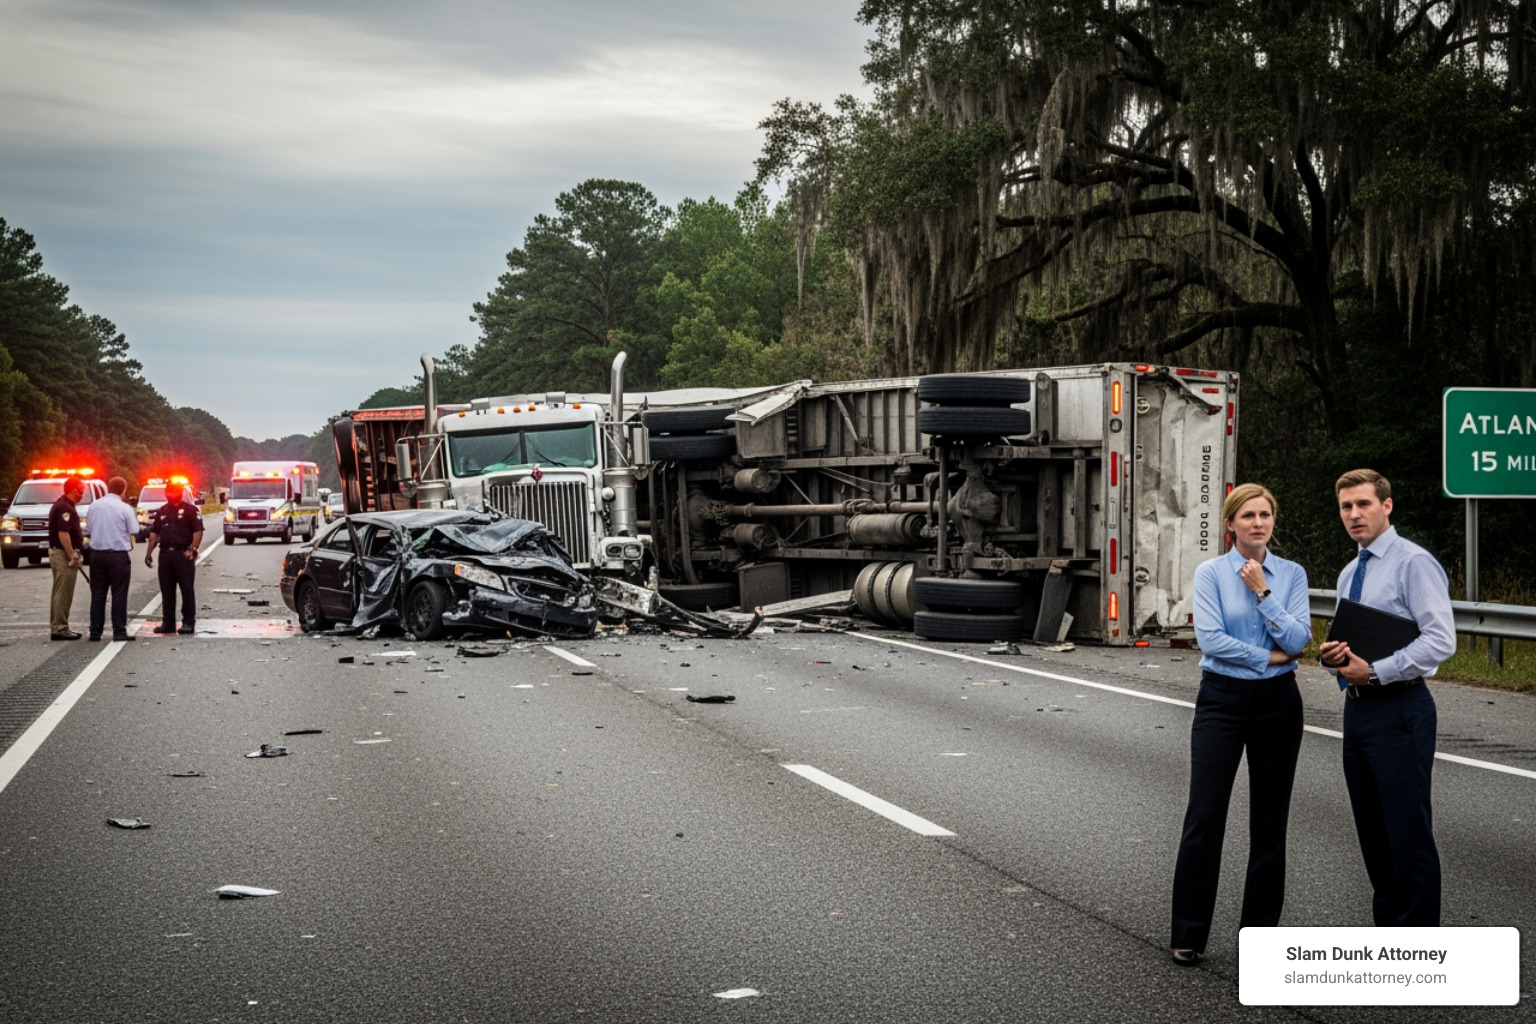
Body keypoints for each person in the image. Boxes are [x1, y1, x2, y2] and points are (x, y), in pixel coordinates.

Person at [1169, 483, 1309, 965]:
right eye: (1247, 515)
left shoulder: (1290, 575)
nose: (1257, 522)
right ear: (1230, 524)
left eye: (1265, 514)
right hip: (1222, 702)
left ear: (1273, 521)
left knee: (1270, 825)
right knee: (1205, 816)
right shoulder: (1210, 573)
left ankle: (1261, 944)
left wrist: (1263, 592)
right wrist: (1269, 656)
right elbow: (1210, 640)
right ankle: (1188, 934)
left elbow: (1299, 638)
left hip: (1278, 704)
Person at [1318, 469, 1455, 927]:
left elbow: (1440, 641)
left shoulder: (1412, 562)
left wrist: (1376, 672)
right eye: (1346, 507)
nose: (1354, 515)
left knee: (1407, 833)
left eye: (1363, 504)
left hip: (1400, 708)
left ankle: (1418, 943)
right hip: (1358, 710)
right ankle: (1388, 935)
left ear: (1386, 506)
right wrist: (1333, 655)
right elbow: (1354, 639)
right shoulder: (1349, 572)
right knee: (1373, 833)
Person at [144, 480, 203, 635]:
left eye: (174, 490)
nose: (171, 494)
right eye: (169, 491)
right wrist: (149, 553)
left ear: (180, 492)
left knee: (186, 589)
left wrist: (194, 549)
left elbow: (198, 531)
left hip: (182, 553)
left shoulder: (191, 510)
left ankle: (188, 623)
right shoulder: (162, 511)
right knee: (166, 590)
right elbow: (154, 533)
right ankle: (168, 622)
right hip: (165, 554)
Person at [87, 476, 137, 643]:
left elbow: (88, 528)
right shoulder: (124, 508)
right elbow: (134, 529)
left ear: (108, 488)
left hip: (96, 555)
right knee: (119, 593)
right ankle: (119, 630)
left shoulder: (94, 506)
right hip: (117, 555)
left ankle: (95, 631)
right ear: (123, 490)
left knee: (98, 593)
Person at [48, 476, 87, 640]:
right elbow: (63, 533)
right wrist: (72, 554)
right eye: (81, 490)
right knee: (63, 592)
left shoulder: (63, 504)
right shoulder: (65, 508)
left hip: (60, 552)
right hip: (63, 554)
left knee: (60, 591)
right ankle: (60, 628)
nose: (82, 493)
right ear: (73, 490)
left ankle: (58, 625)